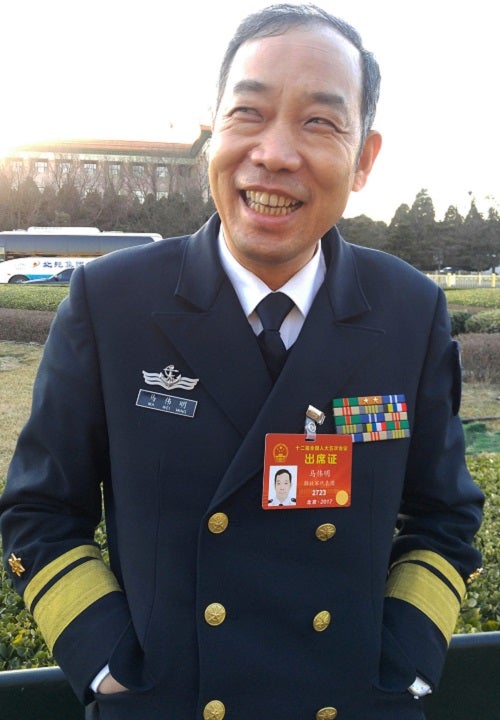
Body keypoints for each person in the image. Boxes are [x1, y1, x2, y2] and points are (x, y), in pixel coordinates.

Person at [0, 5, 484, 720]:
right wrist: (108, 666)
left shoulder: (409, 311)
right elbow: (40, 512)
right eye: (248, 113)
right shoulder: (113, 302)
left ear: (365, 159)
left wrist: (407, 662)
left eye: (320, 122)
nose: (276, 153)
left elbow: (445, 515)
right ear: (213, 136)